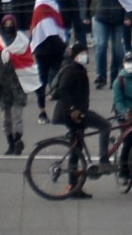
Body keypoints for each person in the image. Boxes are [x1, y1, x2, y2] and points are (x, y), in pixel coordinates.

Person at [48, 42, 109, 197]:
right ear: (75, 55)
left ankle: (74, 186)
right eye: (82, 53)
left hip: (75, 112)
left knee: (77, 147)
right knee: (105, 126)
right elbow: (63, 90)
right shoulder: (71, 70)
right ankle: (103, 161)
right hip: (72, 113)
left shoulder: (77, 69)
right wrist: (72, 109)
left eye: (85, 53)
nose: (85, 56)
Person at [0, 14, 35, 155]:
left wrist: (28, 79)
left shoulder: (22, 41)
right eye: (6, 23)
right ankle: (10, 143)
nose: (8, 26)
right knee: (5, 119)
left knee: (17, 116)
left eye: (11, 23)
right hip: (2, 84)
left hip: (18, 83)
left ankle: (17, 141)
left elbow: (29, 61)